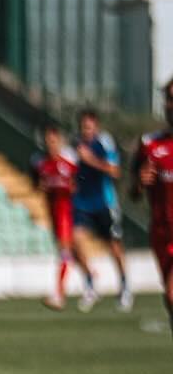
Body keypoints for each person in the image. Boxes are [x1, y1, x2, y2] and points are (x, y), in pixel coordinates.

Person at [73, 109, 131, 311]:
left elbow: (115, 171)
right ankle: (90, 284)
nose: (86, 130)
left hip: (104, 203)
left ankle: (124, 286)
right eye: (83, 127)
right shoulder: (76, 144)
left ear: (96, 126)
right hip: (82, 203)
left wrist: (91, 160)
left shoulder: (104, 143)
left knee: (114, 247)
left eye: (89, 127)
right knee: (75, 241)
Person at [131, 77, 173, 340]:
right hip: (161, 234)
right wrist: (139, 183)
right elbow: (133, 194)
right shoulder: (150, 145)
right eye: (169, 98)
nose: (172, 104)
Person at [32, 123, 86, 312]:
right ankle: (90, 278)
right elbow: (36, 184)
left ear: (60, 141)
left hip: (68, 211)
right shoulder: (41, 163)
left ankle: (59, 294)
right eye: (48, 141)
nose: (51, 144)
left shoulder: (69, 161)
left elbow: (79, 184)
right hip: (53, 212)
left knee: (65, 251)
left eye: (54, 141)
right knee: (68, 252)